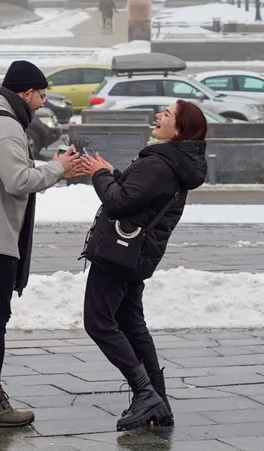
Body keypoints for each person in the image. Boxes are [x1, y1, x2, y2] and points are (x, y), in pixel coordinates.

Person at [0, 60, 89, 428]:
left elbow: (4, 169)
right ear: (27, 92)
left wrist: (50, 163)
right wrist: (60, 170)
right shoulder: (5, 125)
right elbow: (18, 180)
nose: (41, 103)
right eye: (41, 95)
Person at [77, 100, 208, 431]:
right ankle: (158, 403)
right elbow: (139, 197)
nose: (158, 117)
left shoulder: (161, 164)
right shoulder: (176, 162)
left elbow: (119, 202)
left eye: (166, 114)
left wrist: (99, 175)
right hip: (135, 255)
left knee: (99, 322)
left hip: (118, 254)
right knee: (131, 323)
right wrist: (112, 173)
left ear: (179, 130)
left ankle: (144, 394)